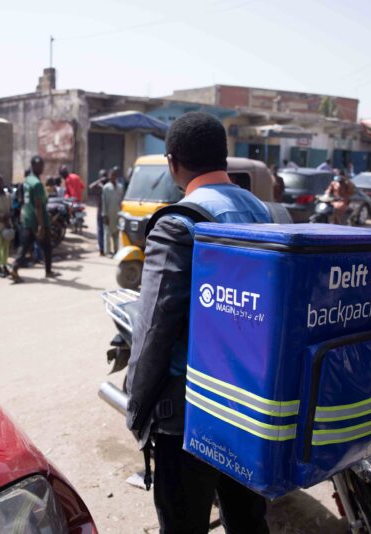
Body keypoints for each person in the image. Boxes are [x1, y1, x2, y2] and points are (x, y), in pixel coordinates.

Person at [126, 111, 271, 534]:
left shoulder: (177, 223)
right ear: (223, 157)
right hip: (249, 406)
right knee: (246, 519)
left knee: (183, 523)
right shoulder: (262, 213)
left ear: (173, 162)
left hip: (188, 416)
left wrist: (137, 409)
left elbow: (153, 327)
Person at [9, 156, 58, 282]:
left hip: (27, 217)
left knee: (24, 245)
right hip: (37, 219)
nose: (42, 167)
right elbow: (38, 205)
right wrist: (41, 225)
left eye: (42, 165)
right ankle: (48, 271)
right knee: (47, 246)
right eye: (40, 165)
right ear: (34, 166)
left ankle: (14, 268)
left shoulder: (27, 181)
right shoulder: (36, 184)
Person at [101, 167, 124, 256]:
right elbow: (104, 202)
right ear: (109, 177)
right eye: (111, 175)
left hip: (117, 213)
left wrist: (121, 213)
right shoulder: (106, 188)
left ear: (116, 176)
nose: (112, 177)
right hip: (108, 214)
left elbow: (121, 201)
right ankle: (107, 251)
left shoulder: (120, 187)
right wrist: (104, 214)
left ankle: (116, 250)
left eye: (114, 175)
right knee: (107, 233)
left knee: (116, 233)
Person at [90, 169, 109, 255]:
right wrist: (99, 181)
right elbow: (90, 186)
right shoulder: (99, 185)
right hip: (100, 211)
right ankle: (102, 248)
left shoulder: (108, 186)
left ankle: (105, 248)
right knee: (101, 230)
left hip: (106, 211)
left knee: (105, 231)